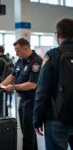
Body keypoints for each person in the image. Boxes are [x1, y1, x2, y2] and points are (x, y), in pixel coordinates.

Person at [0, 38, 42, 150]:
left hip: (32, 100)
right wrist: (0, 85)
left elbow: (32, 84)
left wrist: (14, 87)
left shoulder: (36, 61)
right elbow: (12, 76)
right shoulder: (20, 60)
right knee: (26, 131)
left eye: (18, 51)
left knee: (28, 133)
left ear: (26, 48)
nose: (16, 53)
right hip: (23, 100)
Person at [33, 18, 73, 150]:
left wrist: (37, 118)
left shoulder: (53, 55)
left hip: (56, 117)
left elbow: (42, 90)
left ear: (58, 35)